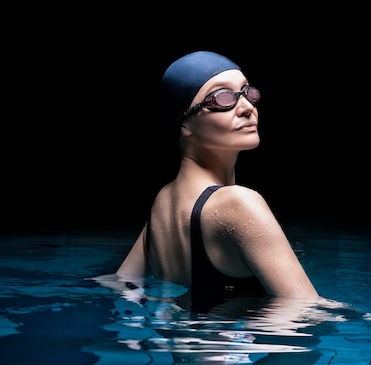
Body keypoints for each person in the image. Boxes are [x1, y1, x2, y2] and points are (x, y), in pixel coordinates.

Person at [113, 50, 319, 310]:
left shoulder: (163, 201)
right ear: (184, 124)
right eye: (222, 98)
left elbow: (121, 282)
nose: (247, 108)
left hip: (183, 348)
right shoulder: (238, 204)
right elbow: (306, 315)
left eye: (247, 93)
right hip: (231, 347)